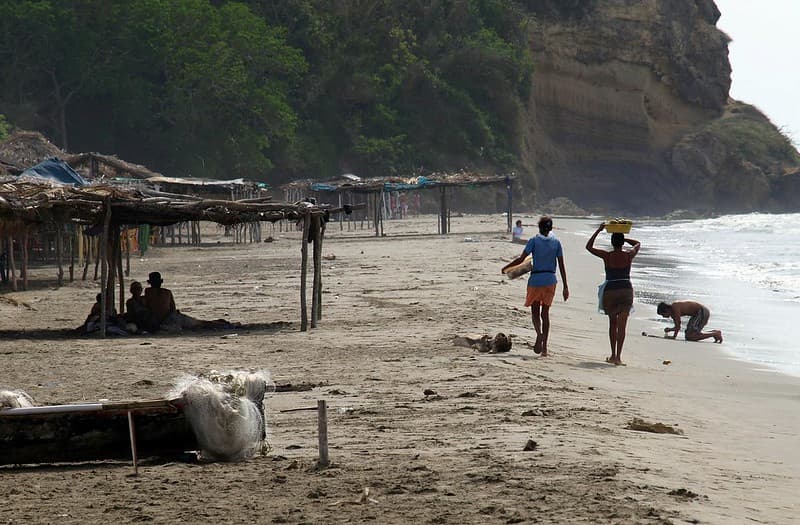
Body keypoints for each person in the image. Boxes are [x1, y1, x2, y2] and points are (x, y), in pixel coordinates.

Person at [502, 216, 569, 357]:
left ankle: (539, 333)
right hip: (551, 279)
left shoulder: (533, 241)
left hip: (536, 280)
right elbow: (562, 265)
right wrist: (565, 287)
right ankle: (544, 348)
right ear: (551, 228)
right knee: (545, 314)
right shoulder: (556, 243)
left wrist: (507, 267)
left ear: (539, 227)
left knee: (535, 312)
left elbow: (521, 259)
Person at [586, 223, 641, 365]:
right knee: (622, 325)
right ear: (621, 243)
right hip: (626, 290)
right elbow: (638, 244)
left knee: (613, 323)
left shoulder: (607, 255)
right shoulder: (629, 255)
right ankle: (618, 357)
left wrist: (598, 230)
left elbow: (589, 247)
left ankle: (612, 355)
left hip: (611, 290)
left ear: (612, 242)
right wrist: (625, 238)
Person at [657, 301, 722, 343]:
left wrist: (673, 337)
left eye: (663, 314)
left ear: (666, 310)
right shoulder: (673, 313)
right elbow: (677, 327)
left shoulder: (675, 307)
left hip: (702, 312)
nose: (663, 317)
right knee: (689, 335)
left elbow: (678, 326)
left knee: (691, 336)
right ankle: (714, 332)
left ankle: (715, 334)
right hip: (697, 314)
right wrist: (670, 329)